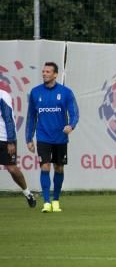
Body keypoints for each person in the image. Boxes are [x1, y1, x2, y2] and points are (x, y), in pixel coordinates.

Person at [26, 61, 79, 213]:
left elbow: (75, 112)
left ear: (55, 74)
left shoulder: (66, 92)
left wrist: (71, 125)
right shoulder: (35, 92)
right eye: (43, 71)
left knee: (59, 168)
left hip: (60, 137)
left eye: (48, 72)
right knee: (45, 166)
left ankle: (56, 200)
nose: (44, 74)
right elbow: (31, 117)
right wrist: (29, 138)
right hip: (43, 137)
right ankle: (47, 202)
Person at [1, 88, 36, 207]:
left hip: (5, 139)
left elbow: (8, 119)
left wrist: (10, 141)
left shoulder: (3, 95)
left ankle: (27, 193)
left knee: (12, 169)